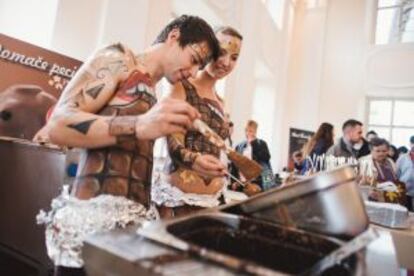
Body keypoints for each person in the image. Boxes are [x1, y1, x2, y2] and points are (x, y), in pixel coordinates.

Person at [38, 15, 220, 276]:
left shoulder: (153, 93)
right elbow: (57, 125)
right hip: (89, 232)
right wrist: (139, 125)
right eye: (193, 60)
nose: (192, 73)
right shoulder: (118, 58)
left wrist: (195, 161)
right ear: (174, 36)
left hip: (126, 236)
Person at [152, 26, 243, 218]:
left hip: (211, 204)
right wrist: (195, 160)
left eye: (234, 57)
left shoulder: (221, 102)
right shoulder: (181, 85)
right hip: (177, 202)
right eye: (222, 52)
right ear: (208, 49)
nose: (226, 62)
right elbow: (173, 142)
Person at [359, 138, 405, 205]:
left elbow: (396, 178)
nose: (381, 154)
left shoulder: (390, 162)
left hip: (390, 198)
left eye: (384, 151)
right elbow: (359, 184)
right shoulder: (363, 162)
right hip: (372, 198)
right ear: (371, 150)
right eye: (377, 151)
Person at [233, 120, 273, 190]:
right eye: (247, 130)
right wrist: (234, 181)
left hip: (258, 182)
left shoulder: (262, 144)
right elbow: (234, 164)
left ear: (255, 131)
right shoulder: (239, 146)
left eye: (251, 131)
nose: (248, 133)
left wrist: (254, 143)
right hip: (242, 182)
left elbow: (266, 158)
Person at [396, 135, 414, 211]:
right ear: (410, 144)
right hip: (404, 192)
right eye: (413, 143)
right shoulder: (403, 157)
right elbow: (397, 174)